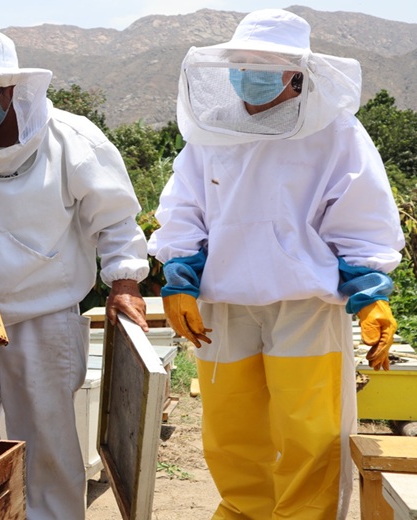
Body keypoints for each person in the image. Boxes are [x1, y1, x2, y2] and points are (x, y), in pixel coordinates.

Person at [148, 9, 404, 519]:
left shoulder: (335, 133)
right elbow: (183, 208)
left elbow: (360, 218)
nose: (250, 73)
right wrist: (179, 279)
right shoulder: (211, 128)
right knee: (232, 432)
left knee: (311, 433)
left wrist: (371, 294)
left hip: (303, 306)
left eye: (263, 64)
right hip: (224, 307)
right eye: (242, 63)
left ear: (296, 72)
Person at [0, 29, 150, 519]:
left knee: (49, 438)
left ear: (12, 91)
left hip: (45, 312)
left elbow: (115, 218)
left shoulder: (72, 138)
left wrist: (125, 281)